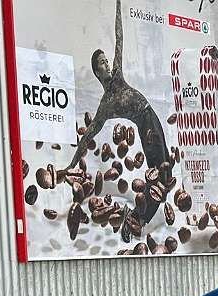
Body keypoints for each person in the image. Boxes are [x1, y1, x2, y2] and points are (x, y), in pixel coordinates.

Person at [68, 0, 170, 229]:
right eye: (102, 63)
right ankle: (139, 218)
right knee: (160, 170)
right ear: (97, 72)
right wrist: (73, 163)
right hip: (147, 124)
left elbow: (119, 38)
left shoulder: (118, 76)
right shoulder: (105, 105)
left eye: (106, 60)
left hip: (150, 118)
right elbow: (88, 136)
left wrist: (117, 6)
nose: (107, 63)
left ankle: (139, 216)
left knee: (164, 168)